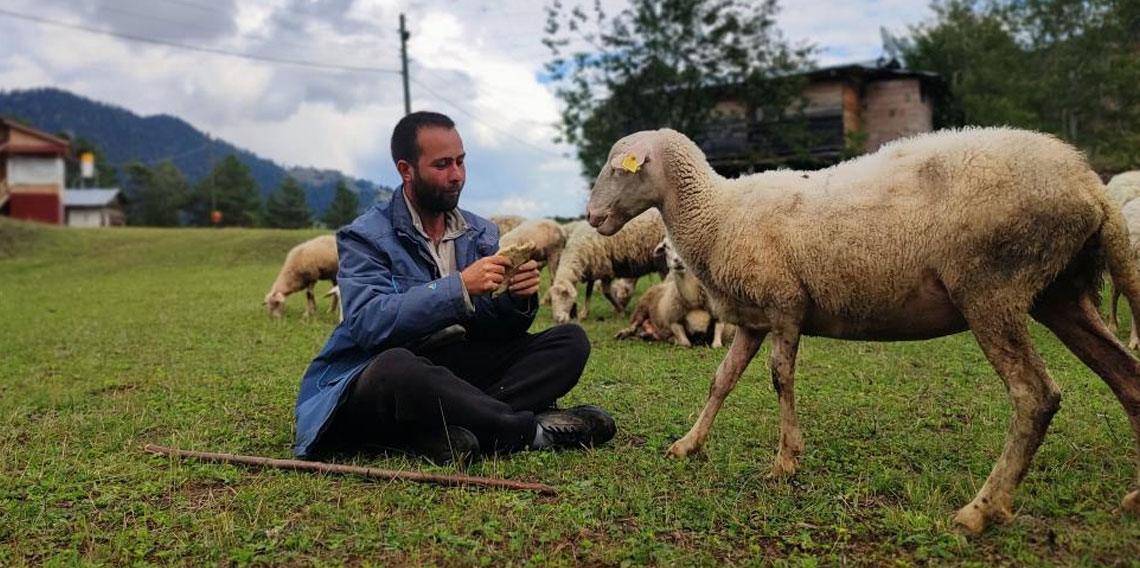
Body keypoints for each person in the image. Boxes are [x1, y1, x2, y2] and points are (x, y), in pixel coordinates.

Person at [292, 111, 616, 464]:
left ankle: (445, 430)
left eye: (461, 162)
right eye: (442, 165)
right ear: (406, 169)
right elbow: (370, 323)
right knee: (399, 369)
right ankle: (527, 432)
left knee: (569, 342)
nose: (457, 175)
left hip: (456, 367)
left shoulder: (480, 232)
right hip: (388, 371)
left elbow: (493, 327)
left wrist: (515, 302)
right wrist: (459, 287)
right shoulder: (365, 237)